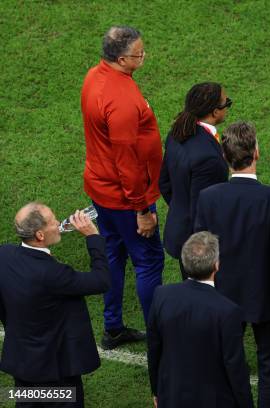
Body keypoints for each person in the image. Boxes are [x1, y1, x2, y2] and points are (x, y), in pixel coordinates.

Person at [193, 121, 270, 408]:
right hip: (269, 298)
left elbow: (198, 252)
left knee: (222, 366)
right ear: (257, 152)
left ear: (224, 157)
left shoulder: (208, 199)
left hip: (220, 297)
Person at [81, 25, 165, 349]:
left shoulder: (94, 76)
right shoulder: (123, 100)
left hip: (100, 190)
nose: (143, 56)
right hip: (125, 198)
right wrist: (142, 209)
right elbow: (127, 163)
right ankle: (159, 335)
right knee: (148, 261)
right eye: (138, 53)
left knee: (113, 254)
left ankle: (112, 326)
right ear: (120, 58)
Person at [0, 203, 110, 407]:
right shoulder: (52, 274)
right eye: (53, 221)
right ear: (40, 235)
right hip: (54, 369)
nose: (59, 223)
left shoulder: (3, 255)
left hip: (22, 362)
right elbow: (101, 281)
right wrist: (93, 237)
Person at [147, 231, 253, 408]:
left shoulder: (161, 295)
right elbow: (235, 368)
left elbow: (154, 349)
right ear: (216, 265)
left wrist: (157, 390)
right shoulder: (228, 311)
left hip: (172, 395)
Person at [159, 82, 230, 280]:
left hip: (182, 235)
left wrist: (180, 207)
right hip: (200, 247)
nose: (228, 107)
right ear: (215, 112)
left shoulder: (177, 133)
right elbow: (205, 210)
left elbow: (164, 182)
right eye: (227, 103)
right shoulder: (209, 158)